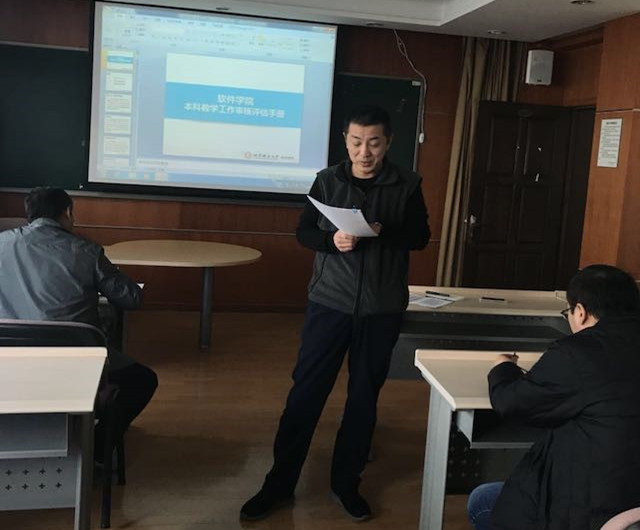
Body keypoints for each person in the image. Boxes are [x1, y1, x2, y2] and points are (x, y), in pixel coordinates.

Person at [241, 105, 430, 522]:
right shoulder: (327, 180)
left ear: (388, 142)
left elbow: (420, 236)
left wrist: (382, 232)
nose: (365, 152)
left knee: (363, 398)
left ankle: (346, 483)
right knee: (305, 394)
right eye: (357, 142)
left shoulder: (407, 184)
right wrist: (331, 241)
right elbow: (304, 231)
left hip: (381, 309)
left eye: (374, 143)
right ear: (345, 141)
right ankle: (278, 484)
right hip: (330, 303)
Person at [468, 264, 640, 530]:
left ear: (580, 312)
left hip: (588, 510)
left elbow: (511, 402)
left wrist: (503, 367)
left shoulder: (578, 352)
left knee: (482, 502)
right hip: (629, 505)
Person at [0, 187, 158, 458]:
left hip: (11, 361)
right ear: (68, 213)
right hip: (76, 364)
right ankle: (96, 452)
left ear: (29, 214)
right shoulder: (86, 251)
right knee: (142, 381)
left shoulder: (2, 243)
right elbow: (131, 298)